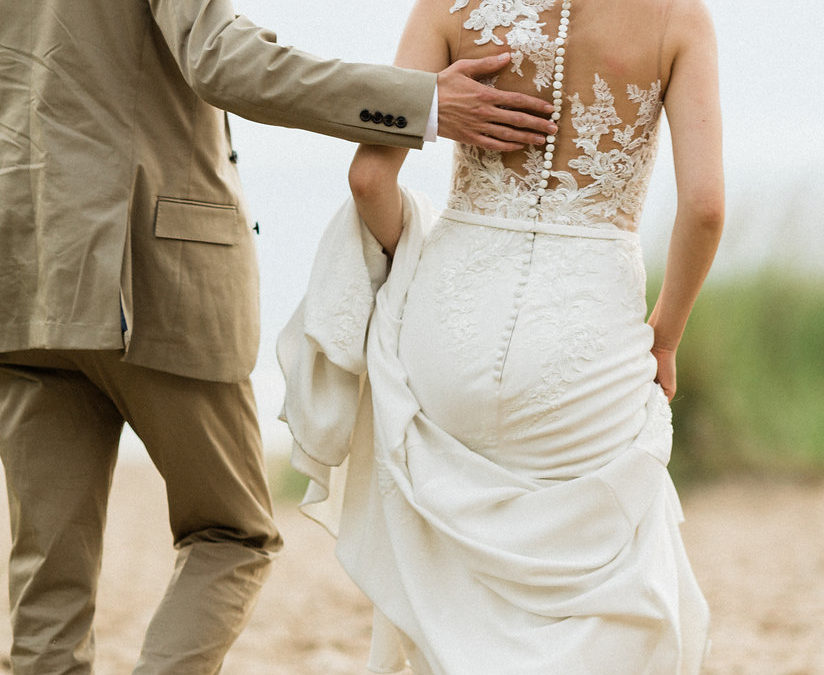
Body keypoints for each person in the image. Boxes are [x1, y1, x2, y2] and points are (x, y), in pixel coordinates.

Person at [0, 0, 559, 672]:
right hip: (152, 274)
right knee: (231, 532)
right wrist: (417, 101)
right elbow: (223, 60)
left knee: (47, 581)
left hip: (25, 272)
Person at [280, 0, 724, 671]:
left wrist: (414, 264)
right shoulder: (676, 17)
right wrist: (664, 337)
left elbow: (369, 179)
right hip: (583, 329)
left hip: (451, 315)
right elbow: (706, 208)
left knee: (453, 569)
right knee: (595, 572)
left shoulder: (449, 7)